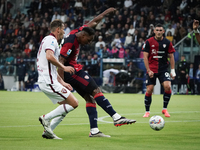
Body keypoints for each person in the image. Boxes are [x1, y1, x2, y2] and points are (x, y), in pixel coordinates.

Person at [58, 8, 136, 138]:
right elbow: (61, 61)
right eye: (88, 40)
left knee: (90, 98)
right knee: (96, 90)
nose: (89, 42)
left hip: (72, 72)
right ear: (83, 36)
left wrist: (105, 13)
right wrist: (61, 82)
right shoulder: (71, 41)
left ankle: (94, 131)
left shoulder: (79, 32)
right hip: (72, 72)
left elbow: (94, 22)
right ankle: (116, 117)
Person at [37, 19, 78, 140]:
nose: (64, 31)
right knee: (74, 103)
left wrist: (63, 82)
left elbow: (52, 69)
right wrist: (64, 67)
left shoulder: (47, 40)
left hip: (49, 80)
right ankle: (46, 118)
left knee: (66, 106)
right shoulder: (51, 40)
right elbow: (49, 57)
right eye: (63, 28)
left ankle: (49, 131)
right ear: (58, 29)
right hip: (48, 81)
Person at [142, 23, 176, 118]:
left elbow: (171, 56)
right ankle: (147, 111)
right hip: (151, 69)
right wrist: (148, 70)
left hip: (163, 69)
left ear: (163, 31)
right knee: (149, 89)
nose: (158, 32)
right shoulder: (148, 42)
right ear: (154, 31)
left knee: (167, 86)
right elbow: (145, 57)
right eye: (157, 30)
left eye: (160, 30)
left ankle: (164, 109)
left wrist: (172, 70)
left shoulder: (168, 42)